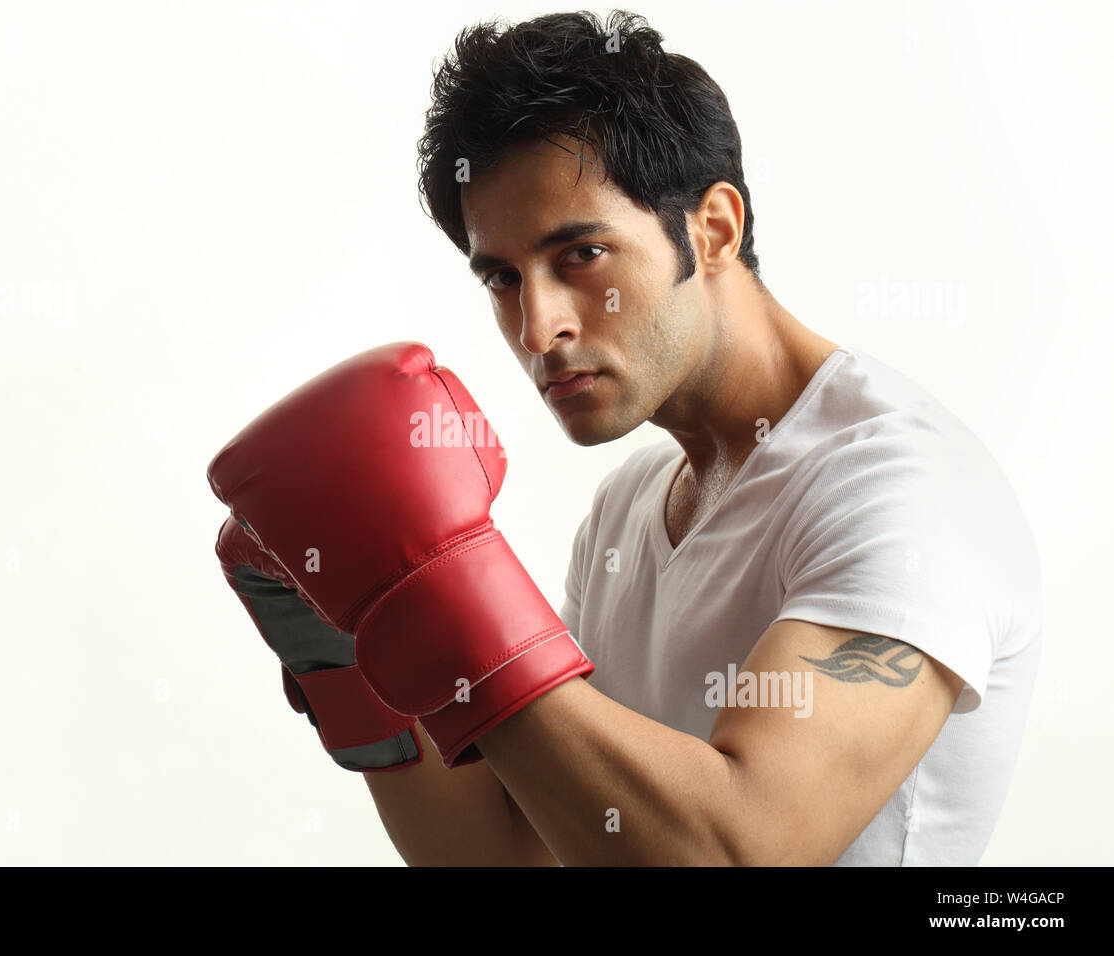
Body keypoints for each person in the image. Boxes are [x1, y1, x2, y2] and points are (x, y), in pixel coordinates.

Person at [213, 10, 1042, 865]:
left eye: (580, 255)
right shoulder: (628, 510)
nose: (537, 329)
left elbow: (738, 849)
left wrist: (444, 589)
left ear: (713, 229)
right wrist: (349, 664)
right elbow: (511, 854)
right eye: (502, 276)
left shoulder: (903, 491)